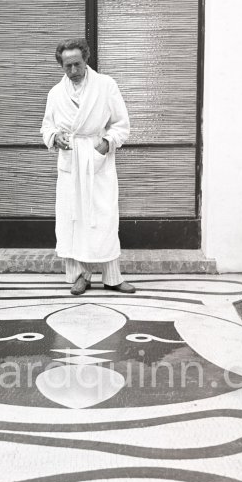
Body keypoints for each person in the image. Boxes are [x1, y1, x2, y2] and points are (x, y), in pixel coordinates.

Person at [41, 38, 136, 296]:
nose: (73, 71)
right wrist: (54, 137)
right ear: (61, 65)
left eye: (77, 64)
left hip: (97, 160)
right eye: (67, 66)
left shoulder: (106, 86)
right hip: (72, 161)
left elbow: (121, 124)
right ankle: (80, 276)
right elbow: (46, 127)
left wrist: (106, 143)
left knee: (105, 217)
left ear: (86, 59)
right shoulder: (55, 93)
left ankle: (112, 277)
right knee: (73, 220)